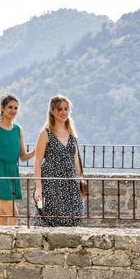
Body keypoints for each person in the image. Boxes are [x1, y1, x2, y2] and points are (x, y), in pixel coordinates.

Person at [0, 94, 35, 226]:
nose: (13, 110)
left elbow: (23, 156)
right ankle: (13, 246)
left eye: (16, 108)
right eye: (10, 107)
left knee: (3, 217)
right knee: (13, 215)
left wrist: (36, 151)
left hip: (12, 172)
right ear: (2, 108)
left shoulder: (18, 129)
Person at [33, 95, 85, 227]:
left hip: (70, 183)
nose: (64, 112)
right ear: (52, 111)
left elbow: (75, 158)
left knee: (76, 215)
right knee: (52, 216)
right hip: (51, 183)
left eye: (66, 109)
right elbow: (38, 162)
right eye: (60, 109)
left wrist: (81, 179)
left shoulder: (71, 132)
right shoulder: (45, 133)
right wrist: (38, 188)